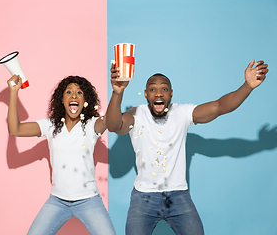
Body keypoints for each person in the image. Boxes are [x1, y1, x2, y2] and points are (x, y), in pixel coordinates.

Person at [105, 59, 269, 235]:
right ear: (146, 94)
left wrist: (247, 86)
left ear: (171, 94)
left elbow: (219, 107)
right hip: (143, 198)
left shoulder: (182, 112)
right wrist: (117, 93)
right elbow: (114, 126)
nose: (158, 93)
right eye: (153, 89)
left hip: (178, 196)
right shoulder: (136, 114)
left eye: (164, 89)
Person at [7, 74, 116, 235]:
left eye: (79, 92)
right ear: (62, 99)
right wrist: (13, 92)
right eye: (69, 92)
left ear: (85, 100)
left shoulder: (92, 124)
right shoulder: (50, 125)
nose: (74, 95)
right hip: (57, 201)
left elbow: (110, 122)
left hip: (88, 200)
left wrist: (116, 91)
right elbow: (15, 129)